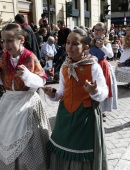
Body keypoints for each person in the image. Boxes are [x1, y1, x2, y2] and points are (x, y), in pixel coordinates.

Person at [43, 28, 109, 170]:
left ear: (85, 47)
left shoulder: (93, 66)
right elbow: (62, 91)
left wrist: (94, 90)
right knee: (62, 148)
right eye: (67, 43)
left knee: (82, 151)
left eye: (75, 44)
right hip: (65, 115)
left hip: (85, 117)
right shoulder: (64, 67)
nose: (69, 47)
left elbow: (104, 92)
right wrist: (53, 94)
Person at [0, 23, 51, 169]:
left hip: (26, 101)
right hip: (8, 102)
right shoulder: (3, 57)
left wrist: (27, 75)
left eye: (10, 41)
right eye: (3, 41)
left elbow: (41, 80)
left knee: (29, 139)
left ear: (21, 40)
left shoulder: (29, 57)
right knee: (5, 135)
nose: (6, 45)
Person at [89, 22, 118, 116]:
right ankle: (94, 107)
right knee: (92, 86)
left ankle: (101, 110)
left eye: (98, 30)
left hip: (102, 66)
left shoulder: (106, 42)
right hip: (92, 65)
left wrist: (102, 47)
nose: (96, 32)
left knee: (102, 86)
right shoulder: (91, 41)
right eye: (95, 29)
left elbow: (111, 54)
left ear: (103, 31)